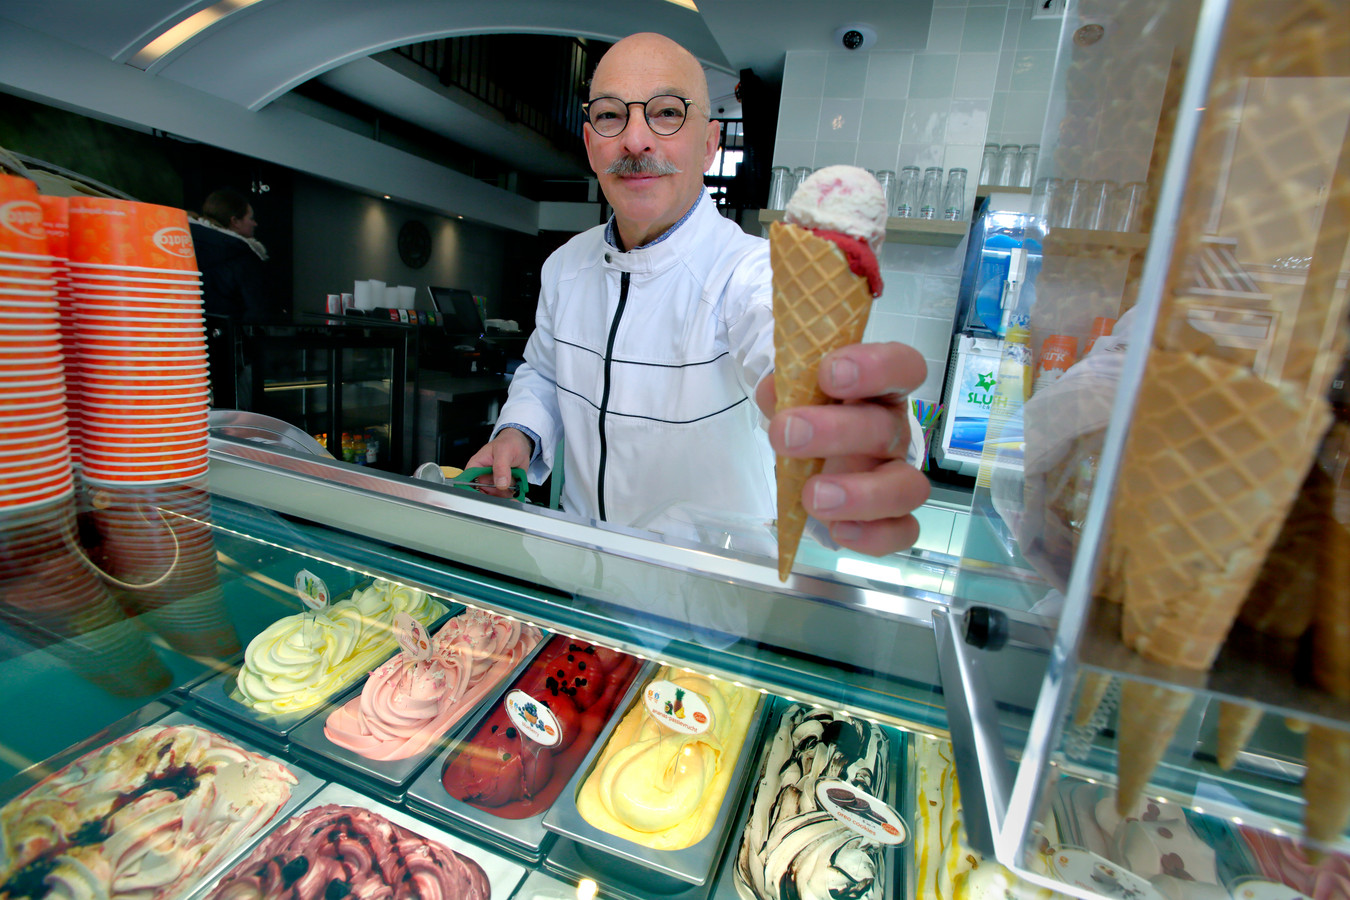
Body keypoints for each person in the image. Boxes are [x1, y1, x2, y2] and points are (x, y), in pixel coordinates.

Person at [467, 32, 929, 558]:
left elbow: (788, 340)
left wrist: (848, 427)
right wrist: (518, 434)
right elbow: (546, 373)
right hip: (585, 580)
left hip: (710, 603)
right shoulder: (565, 266)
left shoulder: (751, 273)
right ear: (591, 143)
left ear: (710, 144)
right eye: (612, 115)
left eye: (666, 113)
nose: (636, 140)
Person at [190, 187, 270, 324]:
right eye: (251, 218)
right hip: (228, 338)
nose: (255, 224)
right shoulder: (243, 255)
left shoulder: (183, 242)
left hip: (188, 331)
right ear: (235, 221)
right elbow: (255, 312)